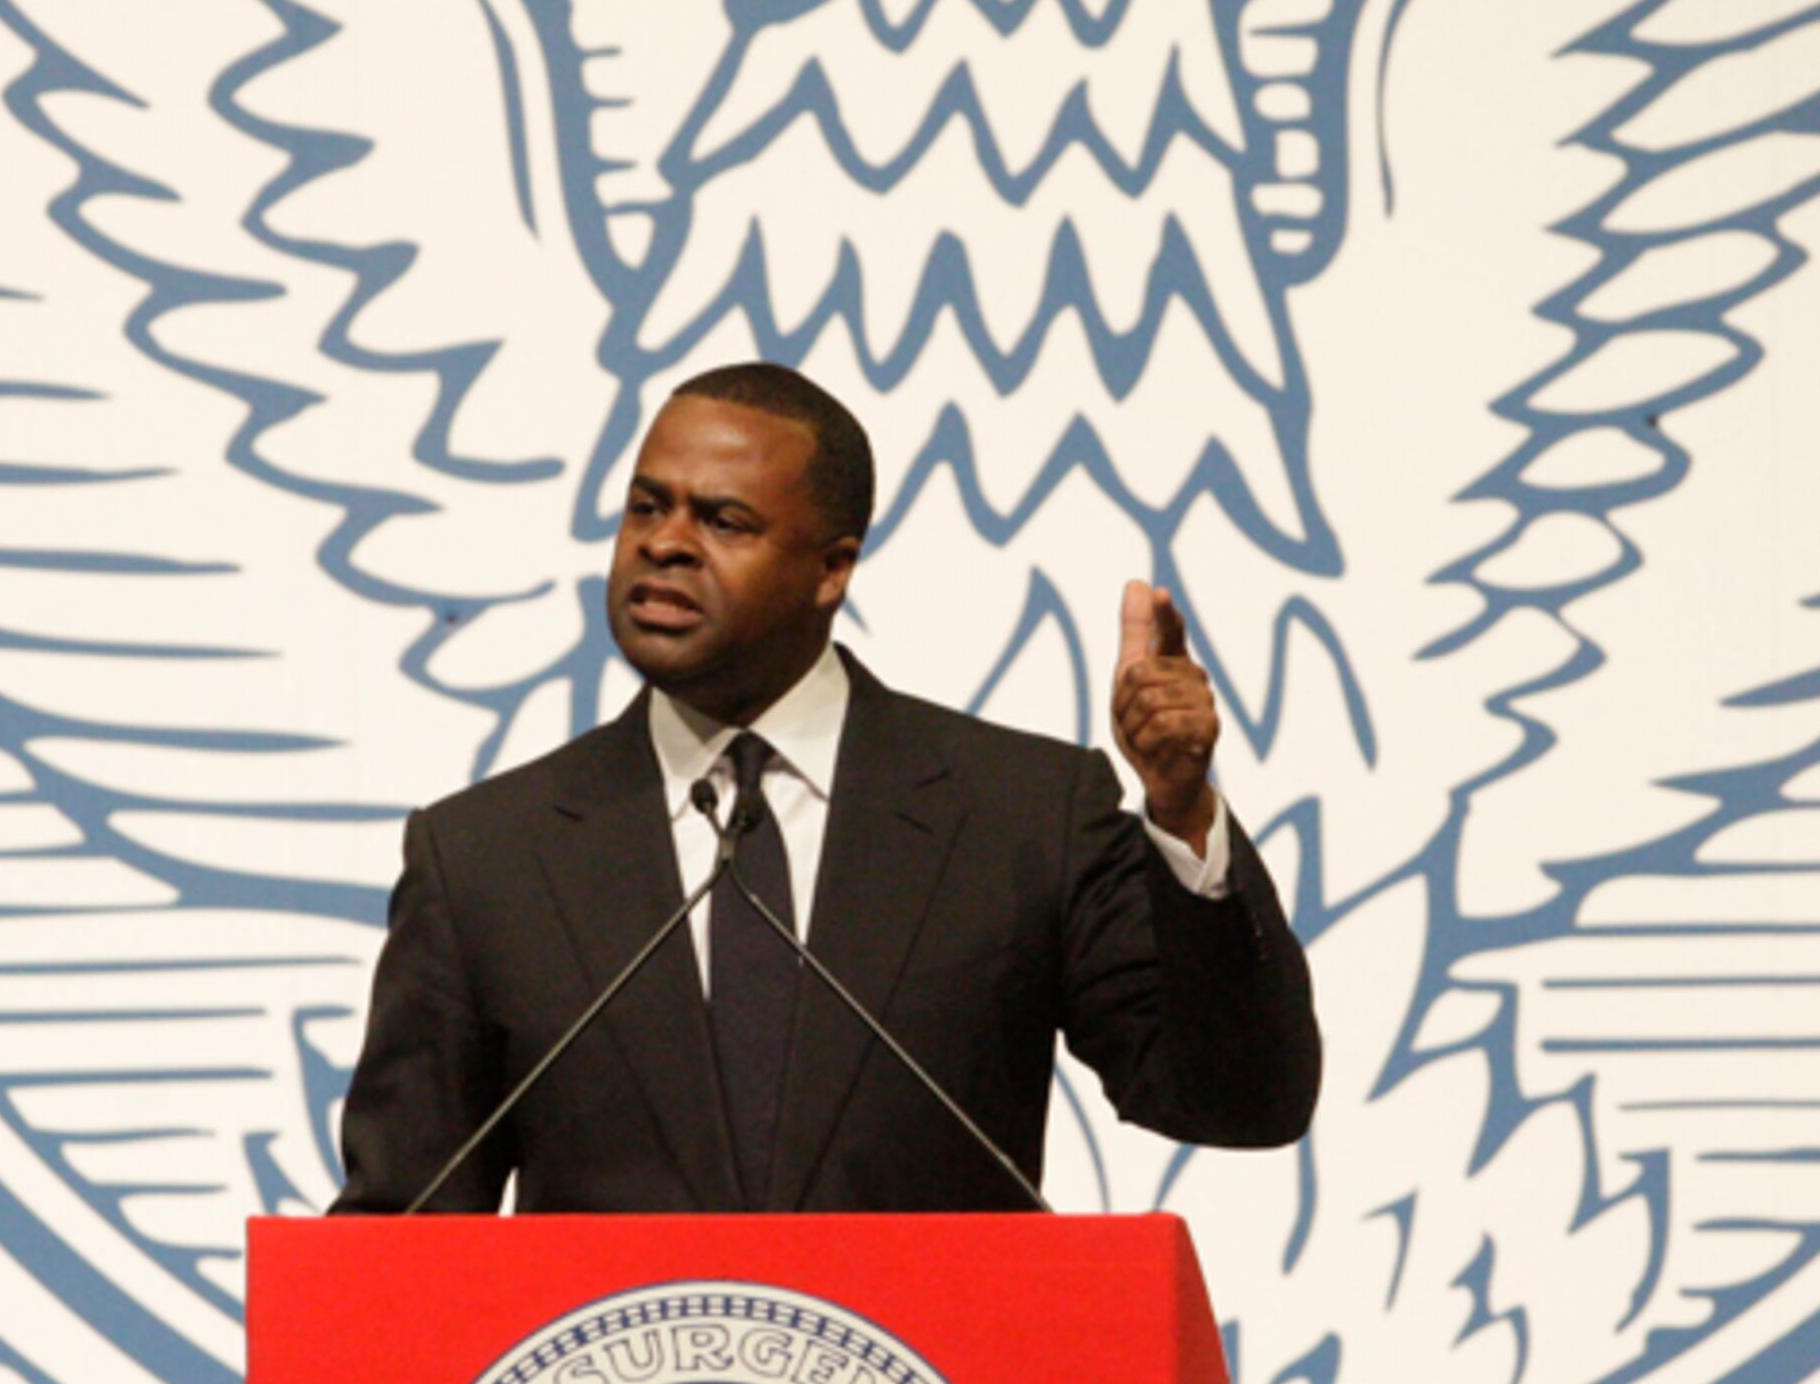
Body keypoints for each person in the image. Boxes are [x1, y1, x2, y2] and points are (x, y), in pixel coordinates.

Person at [332, 361, 1321, 1212]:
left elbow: (1238, 1103)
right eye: (647, 505)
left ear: (832, 567)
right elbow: (396, 1242)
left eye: (723, 519)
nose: (665, 543)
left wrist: (1182, 814)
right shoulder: (486, 859)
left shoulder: (1022, 814)